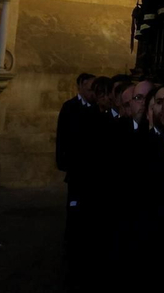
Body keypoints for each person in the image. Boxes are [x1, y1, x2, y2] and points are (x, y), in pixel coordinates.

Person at [57, 71, 96, 261]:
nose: (92, 93)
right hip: (76, 166)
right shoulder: (70, 107)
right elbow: (62, 135)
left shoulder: (96, 109)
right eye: (89, 89)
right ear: (80, 86)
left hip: (90, 167)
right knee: (73, 202)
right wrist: (62, 161)